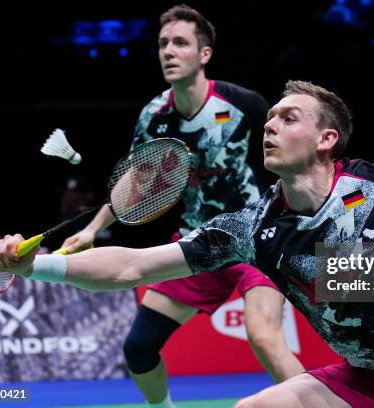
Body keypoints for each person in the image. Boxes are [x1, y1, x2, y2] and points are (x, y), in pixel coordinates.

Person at [0, 80, 374, 408]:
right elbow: (133, 266)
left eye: (288, 119)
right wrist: (33, 266)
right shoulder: (251, 227)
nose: (269, 126)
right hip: (372, 384)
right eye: (270, 119)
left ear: (325, 139)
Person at [58, 5, 303, 407]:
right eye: (163, 44)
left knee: (264, 336)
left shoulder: (243, 105)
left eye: (180, 43)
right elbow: (135, 180)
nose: (169, 51)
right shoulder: (154, 116)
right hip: (197, 243)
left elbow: (291, 154)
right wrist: (91, 229)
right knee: (139, 349)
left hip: (255, 239)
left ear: (204, 54)